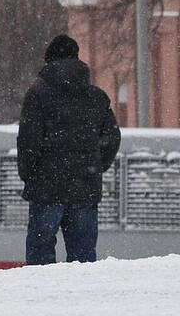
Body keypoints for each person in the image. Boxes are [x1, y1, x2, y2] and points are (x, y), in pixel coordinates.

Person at [17, 35, 121, 265]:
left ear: (49, 61)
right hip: (85, 187)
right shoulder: (96, 96)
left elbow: (28, 141)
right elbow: (112, 137)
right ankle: (80, 289)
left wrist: (29, 174)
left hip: (46, 187)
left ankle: (43, 289)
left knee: (40, 257)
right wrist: (94, 166)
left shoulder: (37, 95)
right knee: (82, 258)